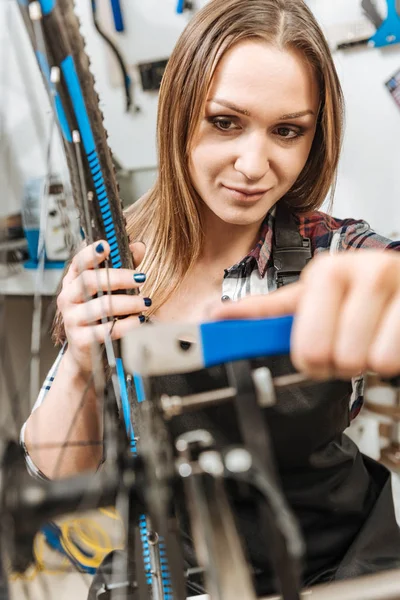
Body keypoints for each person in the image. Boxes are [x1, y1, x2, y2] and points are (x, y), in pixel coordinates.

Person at [21, 0, 400, 596]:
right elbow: (57, 470)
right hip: (185, 572)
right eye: (226, 122)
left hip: (340, 568)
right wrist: (79, 363)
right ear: (180, 115)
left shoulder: (336, 250)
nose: (253, 164)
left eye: (287, 130)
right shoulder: (119, 264)